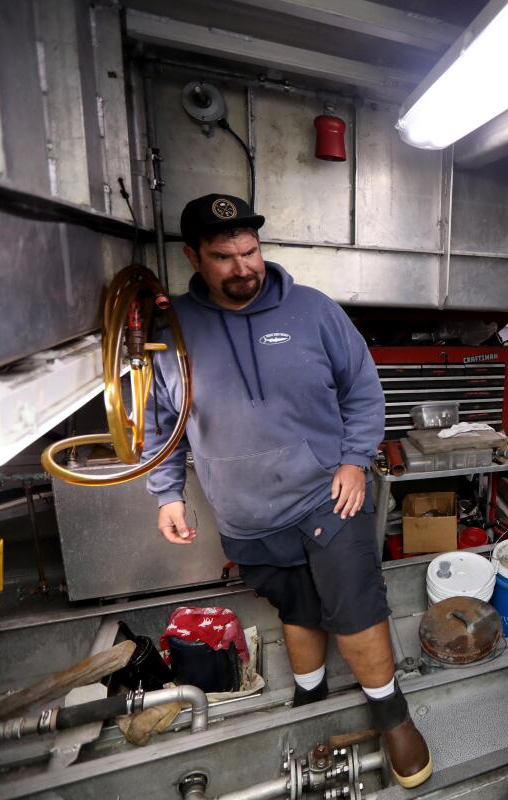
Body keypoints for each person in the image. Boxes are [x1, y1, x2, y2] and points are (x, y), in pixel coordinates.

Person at [144, 193, 431, 788]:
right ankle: (311, 695)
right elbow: (156, 423)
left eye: (250, 251)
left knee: (353, 603)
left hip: (329, 494)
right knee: (296, 606)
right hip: (247, 513)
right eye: (224, 256)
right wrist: (166, 493)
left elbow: (362, 390)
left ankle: (392, 714)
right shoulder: (170, 331)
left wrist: (355, 460)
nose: (243, 266)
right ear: (193, 256)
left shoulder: (313, 310)